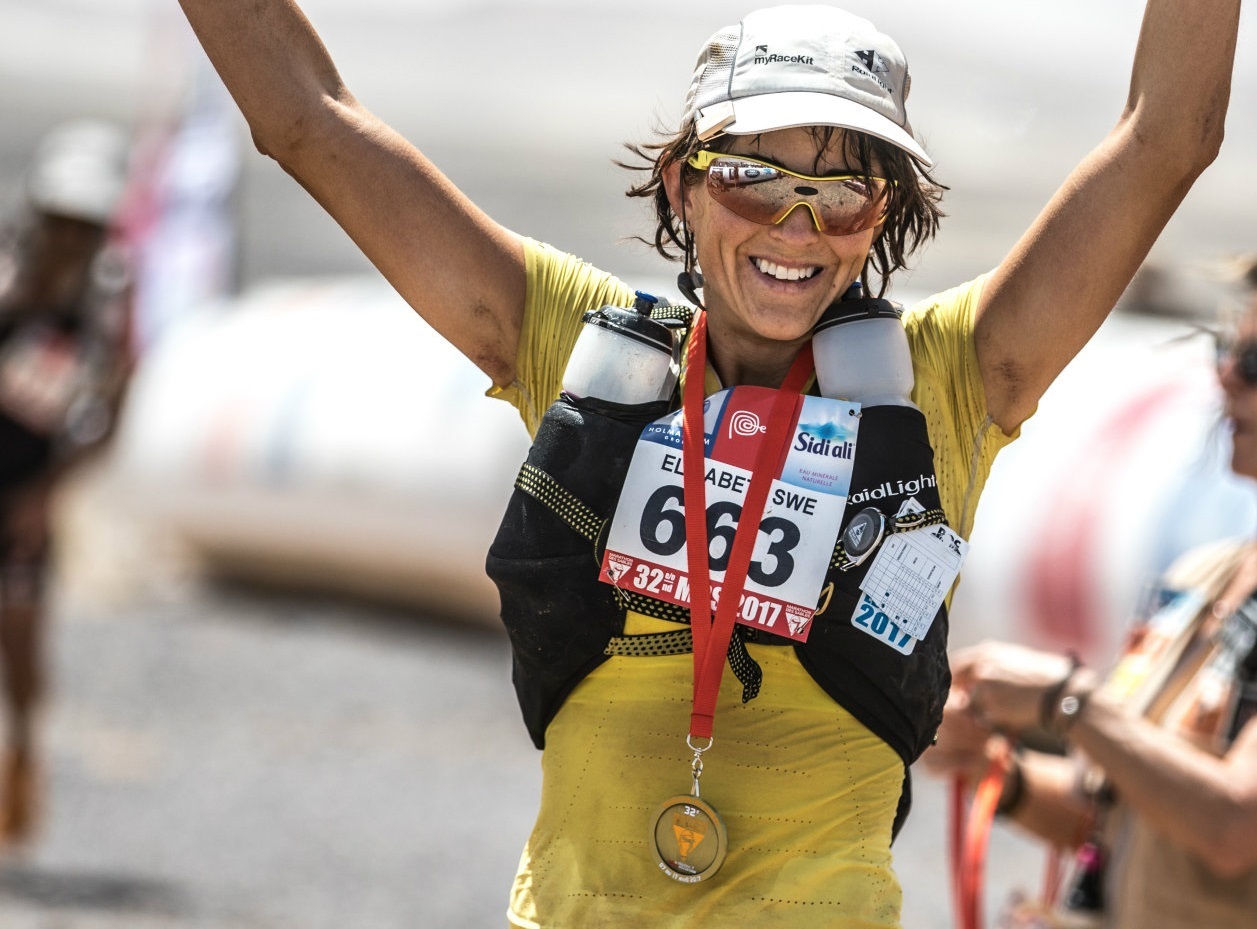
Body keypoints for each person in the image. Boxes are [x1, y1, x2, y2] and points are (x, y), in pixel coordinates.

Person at [174, 0, 1241, 925]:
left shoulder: (950, 377)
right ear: (682, 186)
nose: (798, 226)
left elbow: (1164, 141)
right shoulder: (578, 344)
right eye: (751, 179)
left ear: (880, 217)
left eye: (842, 193)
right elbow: (307, 121)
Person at [922, 294, 1257, 928]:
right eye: (1226, 351)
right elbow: (1105, 809)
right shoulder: (1204, 576)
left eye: (1255, 362)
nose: (1226, 377)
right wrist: (992, 765)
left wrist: (1068, 703)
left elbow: (1235, 828)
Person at [0, 119, 133, 844]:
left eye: (86, 227)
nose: (70, 240)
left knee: (21, 638)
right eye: (61, 222)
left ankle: (21, 755)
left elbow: (110, 419)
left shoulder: (107, 304)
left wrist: (46, 493)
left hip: (26, 493)